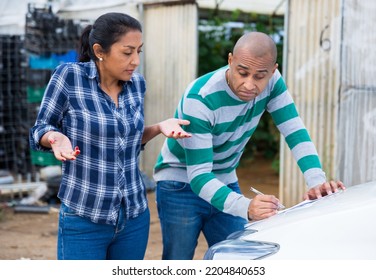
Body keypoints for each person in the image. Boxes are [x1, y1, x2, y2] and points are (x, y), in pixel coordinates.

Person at [153, 31, 346, 260]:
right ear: (230, 61)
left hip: (224, 177)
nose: (249, 84)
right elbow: (199, 176)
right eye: (242, 73)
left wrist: (317, 183)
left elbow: (295, 131)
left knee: (241, 258)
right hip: (180, 182)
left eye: (259, 76)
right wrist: (245, 207)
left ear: (273, 71)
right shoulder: (201, 97)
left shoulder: (274, 83)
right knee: (178, 262)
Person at [29, 12, 190, 260]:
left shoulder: (137, 84)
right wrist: (55, 138)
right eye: (127, 52)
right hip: (85, 218)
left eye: (139, 51)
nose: (135, 60)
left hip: (133, 217)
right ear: (99, 51)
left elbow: (128, 143)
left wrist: (159, 127)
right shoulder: (69, 77)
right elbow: (40, 127)